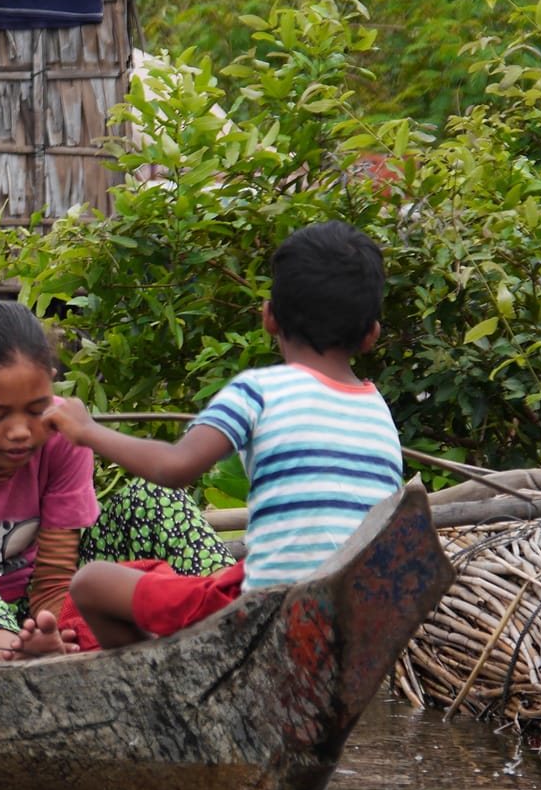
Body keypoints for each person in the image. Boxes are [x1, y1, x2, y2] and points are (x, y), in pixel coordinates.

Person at [46, 219, 403, 649]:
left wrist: (87, 431)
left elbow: (175, 468)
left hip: (268, 611)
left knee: (91, 583)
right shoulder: (377, 407)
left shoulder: (258, 391)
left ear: (269, 317)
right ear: (371, 335)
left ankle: (153, 684)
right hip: (361, 612)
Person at [0, 301, 234, 665]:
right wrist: (22, 641)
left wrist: (58, 628)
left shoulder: (65, 435)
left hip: (36, 611)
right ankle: (19, 654)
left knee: (154, 499)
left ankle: (234, 606)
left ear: (50, 385)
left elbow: (55, 577)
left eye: (36, 410)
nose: (21, 431)